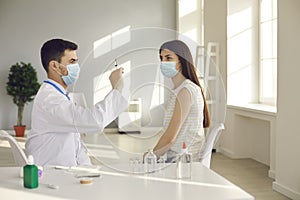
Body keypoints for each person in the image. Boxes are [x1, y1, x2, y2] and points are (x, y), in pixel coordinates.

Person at [25, 38, 128, 166]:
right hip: (52, 174)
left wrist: (88, 170)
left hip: (66, 171)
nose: (76, 67)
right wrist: (117, 88)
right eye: (72, 61)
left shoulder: (58, 95)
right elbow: (94, 121)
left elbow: (76, 145)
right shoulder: (50, 100)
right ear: (55, 66)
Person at [152, 40, 210, 162]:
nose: (163, 62)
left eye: (168, 58)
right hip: (178, 157)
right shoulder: (180, 90)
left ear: (181, 61)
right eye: (161, 58)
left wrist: (150, 156)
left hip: (183, 161)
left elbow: (170, 138)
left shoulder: (185, 91)